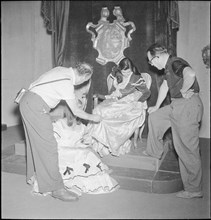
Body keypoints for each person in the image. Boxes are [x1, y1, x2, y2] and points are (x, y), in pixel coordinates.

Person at [19, 62, 102, 202]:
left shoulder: (61, 70)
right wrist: (93, 117)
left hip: (27, 100)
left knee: (34, 141)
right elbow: (76, 111)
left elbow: (36, 85)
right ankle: (57, 189)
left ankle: (34, 177)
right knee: (49, 145)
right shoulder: (67, 83)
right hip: (36, 105)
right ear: (84, 78)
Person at [145, 43, 204, 199]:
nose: (151, 64)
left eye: (150, 61)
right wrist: (156, 106)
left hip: (186, 107)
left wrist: (184, 90)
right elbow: (165, 85)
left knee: (185, 147)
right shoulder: (168, 67)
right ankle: (155, 152)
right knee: (155, 117)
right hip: (176, 105)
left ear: (156, 57)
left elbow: (190, 74)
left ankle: (193, 189)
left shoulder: (175, 62)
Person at [29, 102, 119, 196]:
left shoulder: (81, 126)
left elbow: (83, 140)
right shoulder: (59, 124)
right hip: (61, 151)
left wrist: (87, 141)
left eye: (81, 108)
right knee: (81, 153)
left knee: (88, 153)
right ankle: (65, 185)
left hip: (76, 149)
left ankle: (80, 182)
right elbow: (53, 142)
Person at [88, 57, 151, 156]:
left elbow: (146, 93)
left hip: (130, 103)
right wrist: (108, 97)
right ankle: (98, 144)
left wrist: (139, 101)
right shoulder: (117, 74)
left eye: (128, 71)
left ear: (132, 69)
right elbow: (113, 92)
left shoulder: (136, 78)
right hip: (116, 100)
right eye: (123, 71)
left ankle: (109, 144)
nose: (126, 74)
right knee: (98, 110)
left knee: (107, 115)